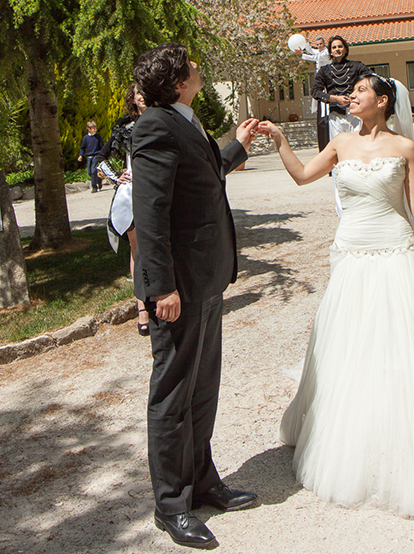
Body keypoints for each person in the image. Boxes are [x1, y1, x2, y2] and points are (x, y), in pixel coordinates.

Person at [257, 73, 414, 520]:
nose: (350, 97)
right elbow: (302, 176)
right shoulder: (340, 145)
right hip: (352, 258)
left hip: (399, 254)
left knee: (409, 347)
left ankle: (412, 443)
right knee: (353, 346)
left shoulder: (404, 148)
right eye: (351, 92)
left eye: (359, 92)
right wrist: (280, 138)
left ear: (382, 101)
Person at [131, 43, 261, 550]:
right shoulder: (155, 125)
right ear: (176, 78)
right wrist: (160, 286)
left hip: (207, 280)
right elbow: (151, 209)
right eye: (188, 62)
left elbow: (204, 179)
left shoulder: (185, 120)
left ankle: (202, 481)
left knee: (203, 389)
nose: (196, 65)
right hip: (177, 288)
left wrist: (236, 145)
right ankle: (171, 505)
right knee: (172, 396)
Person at [94, 84, 150, 335]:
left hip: (160, 193)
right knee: (137, 250)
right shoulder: (124, 127)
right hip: (131, 195)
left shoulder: (165, 119)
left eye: (145, 92)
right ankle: (142, 308)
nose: (141, 96)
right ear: (132, 98)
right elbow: (100, 160)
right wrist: (117, 176)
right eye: (137, 93)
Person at [311, 36, 368, 151]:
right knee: (340, 149)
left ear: (345, 49)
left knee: (358, 147)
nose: (337, 49)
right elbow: (315, 92)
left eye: (340, 46)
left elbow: (372, 78)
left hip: (354, 114)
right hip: (335, 117)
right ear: (330, 51)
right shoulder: (324, 70)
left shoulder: (357, 66)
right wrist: (335, 99)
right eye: (334, 47)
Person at [77, 119, 104, 192]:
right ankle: (99, 180)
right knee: (90, 172)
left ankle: (94, 187)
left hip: (96, 155)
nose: (95, 130)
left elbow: (102, 146)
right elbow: (82, 148)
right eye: (93, 129)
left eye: (96, 128)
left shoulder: (98, 137)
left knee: (93, 170)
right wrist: (81, 155)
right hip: (89, 156)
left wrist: (103, 154)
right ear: (89, 129)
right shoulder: (86, 138)